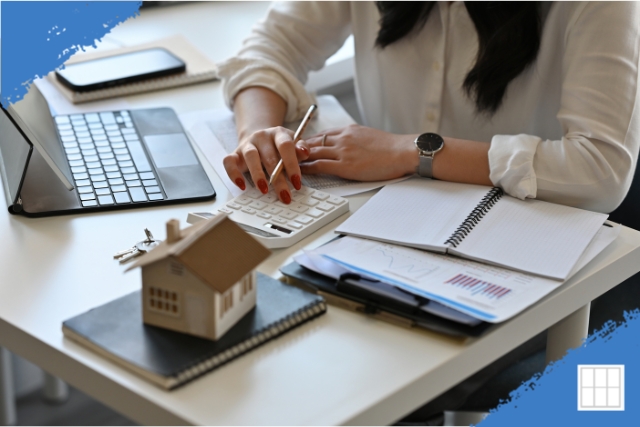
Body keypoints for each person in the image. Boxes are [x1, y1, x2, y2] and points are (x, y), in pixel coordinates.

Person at [218, 1, 639, 212]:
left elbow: (601, 168)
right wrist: (256, 131)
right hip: (385, 219)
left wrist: (409, 151)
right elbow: (272, 45)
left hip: (524, 234)